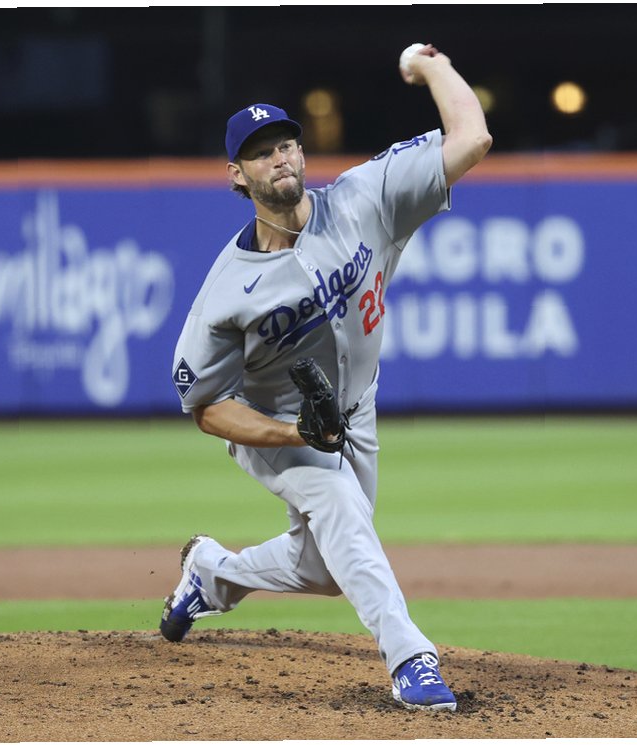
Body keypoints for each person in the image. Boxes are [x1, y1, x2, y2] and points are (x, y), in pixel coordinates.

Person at [163, 43, 491, 712]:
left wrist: (430, 66)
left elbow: (472, 137)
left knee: (325, 567)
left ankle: (212, 573)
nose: (279, 157)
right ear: (236, 176)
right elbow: (207, 406)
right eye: (261, 153)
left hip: (356, 408)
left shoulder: (363, 198)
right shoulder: (225, 294)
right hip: (276, 427)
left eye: (286, 144)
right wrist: (294, 434)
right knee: (338, 506)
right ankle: (410, 657)